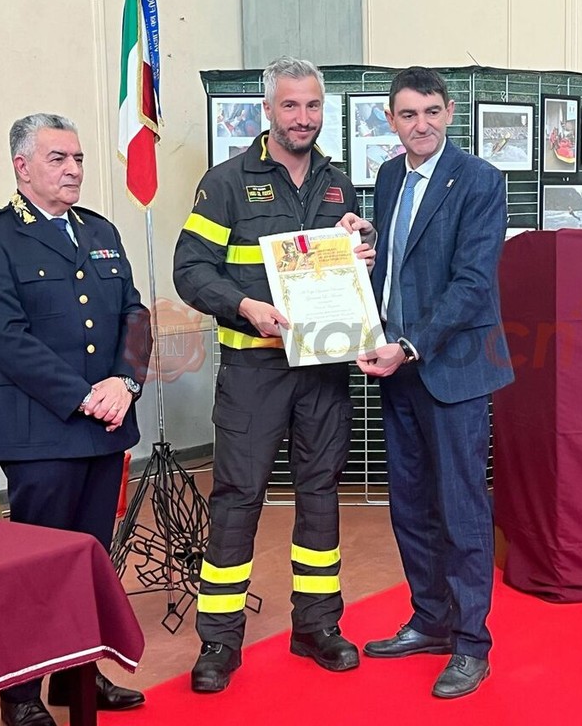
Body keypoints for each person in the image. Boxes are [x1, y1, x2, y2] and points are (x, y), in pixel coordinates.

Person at [173, 55, 375, 694]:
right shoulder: (226, 182)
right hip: (253, 371)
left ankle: (317, 625)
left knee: (320, 495)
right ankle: (219, 641)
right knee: (237, 499)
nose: (302, 117)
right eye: (290, 105)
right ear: (267, 110)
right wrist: (244, 305)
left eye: (313, 105)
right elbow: (190, 269)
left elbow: (345, 269)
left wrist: (360, 253)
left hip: (323, 371)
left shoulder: (339, 186)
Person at [0, 113, 151, 726]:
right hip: (43, 431)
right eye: (58, 159)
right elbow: (5, 338)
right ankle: (20, 695)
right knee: (37, 570)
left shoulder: (99, 229)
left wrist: (125, 381)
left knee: (90, 563)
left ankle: (77, 678)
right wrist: (85, 396)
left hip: (105, 426)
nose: (73, 170)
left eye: (78, 158)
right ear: (22, 167)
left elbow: (135, 314)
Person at [357, 66, 514, 699]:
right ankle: (429, 621)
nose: (420, 125)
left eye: (430, 112)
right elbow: (401, 264)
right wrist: (363, 249)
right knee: (411, 505)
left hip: (450, 368)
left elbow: (472, 283)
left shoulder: (480, 179)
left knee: (461, 508)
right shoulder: (389, 177)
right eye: (407, 114)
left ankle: (471, 643)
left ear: (449, 112)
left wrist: (409, 345)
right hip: (397, 370)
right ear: (391, 121)